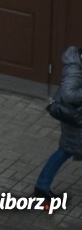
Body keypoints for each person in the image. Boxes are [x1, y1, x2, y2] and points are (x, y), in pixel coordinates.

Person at [37, 45, 82, 198]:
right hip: (76, 122)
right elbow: (68, 95)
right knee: (65, 151)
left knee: (64, 151)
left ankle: (41, 187)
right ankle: (41, 187)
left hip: (76, 120)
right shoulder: (75, 71)